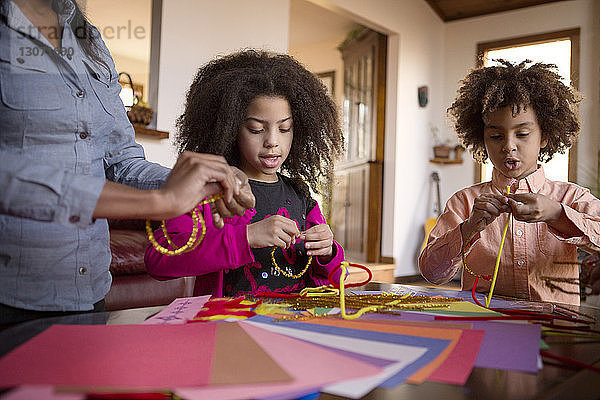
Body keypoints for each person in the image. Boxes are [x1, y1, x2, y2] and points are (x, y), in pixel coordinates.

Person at [0, 0, 254, 324]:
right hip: (11, 300)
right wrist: (158, 202)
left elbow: (122, 161)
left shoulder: (86, 37)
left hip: (89, 292)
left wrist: (200, 182)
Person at [145, 49, 346, 297]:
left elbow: (335, 276)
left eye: (285, 129)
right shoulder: (208, 191)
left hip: (295, 325)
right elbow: (159, 259)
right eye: (255, 129)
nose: (272, 141)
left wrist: (328, 252)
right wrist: (247, 236)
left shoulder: (301, 196)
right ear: (230, 129)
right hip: (228, 327)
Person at [419, 60, 600, 306]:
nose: (508, 146)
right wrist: (470, 227)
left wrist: (557, 215)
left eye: (522, 134)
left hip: (556, 330)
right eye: (495, 136)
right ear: (482, 139)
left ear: (545, 136)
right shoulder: (463, 202)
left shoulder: (571, 197)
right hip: (483, 325)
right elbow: (432, 274)